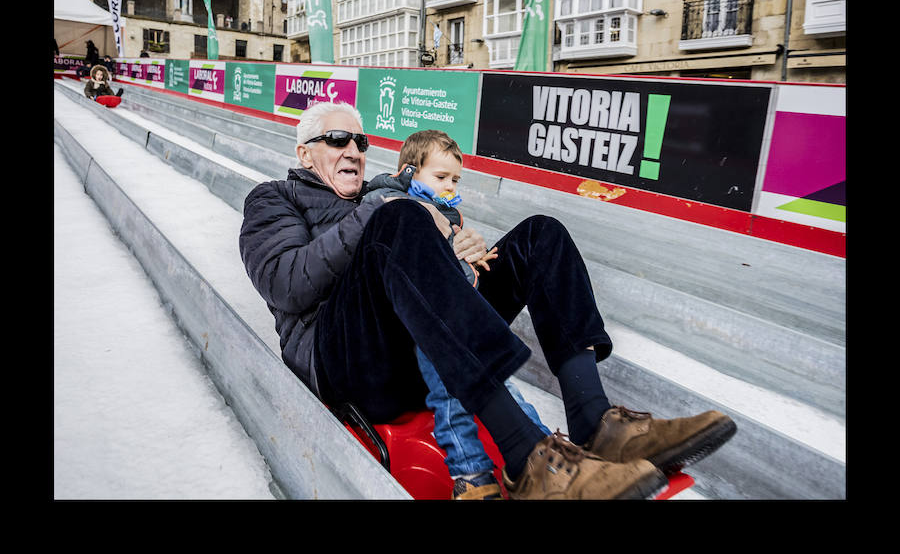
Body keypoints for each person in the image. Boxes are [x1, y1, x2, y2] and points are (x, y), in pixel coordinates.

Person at [239, 101, 737, 500]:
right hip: (347, 359)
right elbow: (285, 283)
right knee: (398, 220)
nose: (352, 149)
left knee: (541, 238)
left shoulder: (382, 197)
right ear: (305, 154)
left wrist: (456, 246)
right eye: (336, 139)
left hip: (421, 338)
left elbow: (413, 229)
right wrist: (383, 214)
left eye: (360, 141)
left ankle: (595, 420)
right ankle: (528, 458)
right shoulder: (274, 198)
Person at [362, 130, 551, 499]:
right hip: (410, 328)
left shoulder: (450, 213)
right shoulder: (387, 200)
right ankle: (471, 475)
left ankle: (544, 450)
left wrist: (471, 259)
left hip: (451, 316)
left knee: (498, 379)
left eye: (455, 180)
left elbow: (453, 271)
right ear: (408, 172)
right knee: (450, 393)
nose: (449, 186)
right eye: (440, 177)